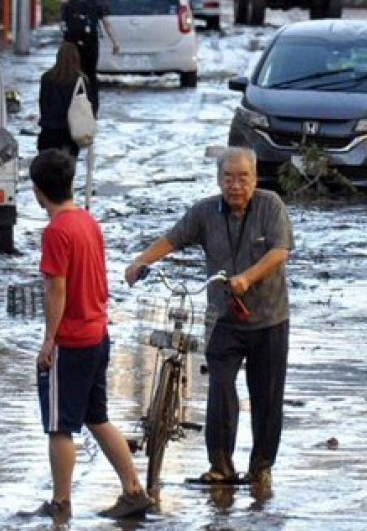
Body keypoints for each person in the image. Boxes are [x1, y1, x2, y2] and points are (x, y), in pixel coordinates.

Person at [124, 147, 294, 496]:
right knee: (220, 388)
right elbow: (173, 239)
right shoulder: (205, 212)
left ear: (255, 178)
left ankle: (261, 468)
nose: (235, 185)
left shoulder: (270, 206)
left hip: (269, 319)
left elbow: (280, 251)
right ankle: (220, 466)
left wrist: (247, 277)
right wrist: (140, 262)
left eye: (242, 177)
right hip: (222, 319)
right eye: (228, 178)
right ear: (218, 181)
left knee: (267, 397)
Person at [19, 149, 152, 522]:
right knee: (97, 417)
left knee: (59, 425)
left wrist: (49, 341)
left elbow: (55, 290)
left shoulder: (56, 232)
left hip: (73, 341)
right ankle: (133, 490)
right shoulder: (87, 221)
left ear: (37, 191)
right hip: (98, 333)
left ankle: (61, 503)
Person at [60, 0, 119, 109]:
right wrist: (115, 42)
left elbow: (63, 26)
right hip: (91, 44)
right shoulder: (96, 4)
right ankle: (92, 108)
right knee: (91, 75)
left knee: (72, 75)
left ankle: (72, 107)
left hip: (71, 45)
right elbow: (107, 24)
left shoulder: (69, 5)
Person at [37, 42, 90, 158]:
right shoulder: (81, 81)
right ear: (76, 59)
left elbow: (43, 105)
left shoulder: (46, 78)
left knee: (46, 170)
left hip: (48, 131)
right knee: (66, 171)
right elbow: (87, 107)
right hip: (70, 134)